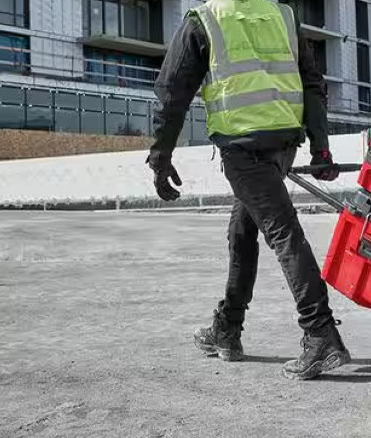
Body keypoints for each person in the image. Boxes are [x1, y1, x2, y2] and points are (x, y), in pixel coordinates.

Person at [146, 0, 350, 380]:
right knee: (242, 231)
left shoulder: (205, 19)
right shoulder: (282, 14)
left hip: (243, 149)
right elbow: (312, 82)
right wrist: (321, 145)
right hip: (284, 144)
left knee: (282, 232)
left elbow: (172, 93)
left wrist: (160, 155)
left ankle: (320, 334)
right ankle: (227, 328)